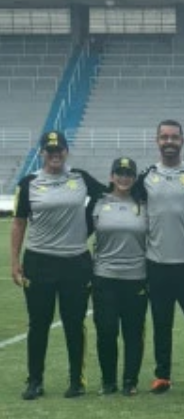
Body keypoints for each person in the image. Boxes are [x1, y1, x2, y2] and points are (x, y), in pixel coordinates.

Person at [13, 131, 106, 400]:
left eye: (59, 150)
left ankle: (76, 381)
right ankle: (35, 381)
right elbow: (19, 223)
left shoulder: (80, 178)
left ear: (66, 151)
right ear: (42, 153)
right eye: (49, 150)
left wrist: (86, 226)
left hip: (75, 262)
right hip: (39, 261)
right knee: (38, 324)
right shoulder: (29, 183)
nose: (55, 155)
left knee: (74, 323)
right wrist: (14, 262)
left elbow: (107, 194)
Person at [134, 120, 184, 394]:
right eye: (164, 137)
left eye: (174, 137)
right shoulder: (146, 177)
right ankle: (162, 376)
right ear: (157, 141)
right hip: (157, 264)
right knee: (161, 323)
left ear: (183, 140)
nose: (169, 142)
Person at [91, 157, 148, 397]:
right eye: (119, 173)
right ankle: (108, 381)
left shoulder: (144, 204)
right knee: (106, 330)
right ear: (111, 176)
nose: (124, 177)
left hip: (136, 277)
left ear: (134, 178)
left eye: (128, 174)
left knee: (133, 332)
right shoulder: (97, 204)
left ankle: (130, 381)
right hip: (104, 277)